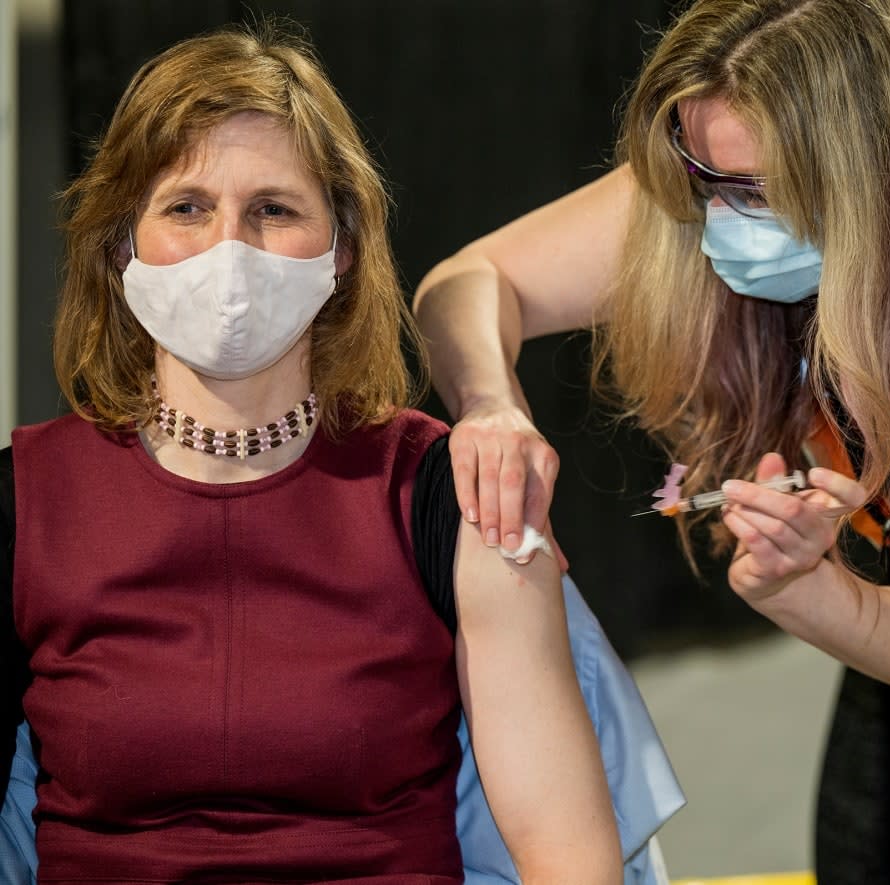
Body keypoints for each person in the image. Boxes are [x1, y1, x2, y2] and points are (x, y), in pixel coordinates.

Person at [412, 1, 890, 883]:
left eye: (758, 191)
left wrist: (808, 595)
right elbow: (473, 280)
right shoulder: (725, 161)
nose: (722, 219)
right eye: (706, 180)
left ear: (888, 170)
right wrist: (489, 405)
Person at [0, 22, 643, 883]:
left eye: (274, 209)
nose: (230, 246)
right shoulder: (23, 501)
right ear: (123, 246)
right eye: (186, 207)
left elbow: (572, 860)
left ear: (341, 250)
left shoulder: (450, 493)